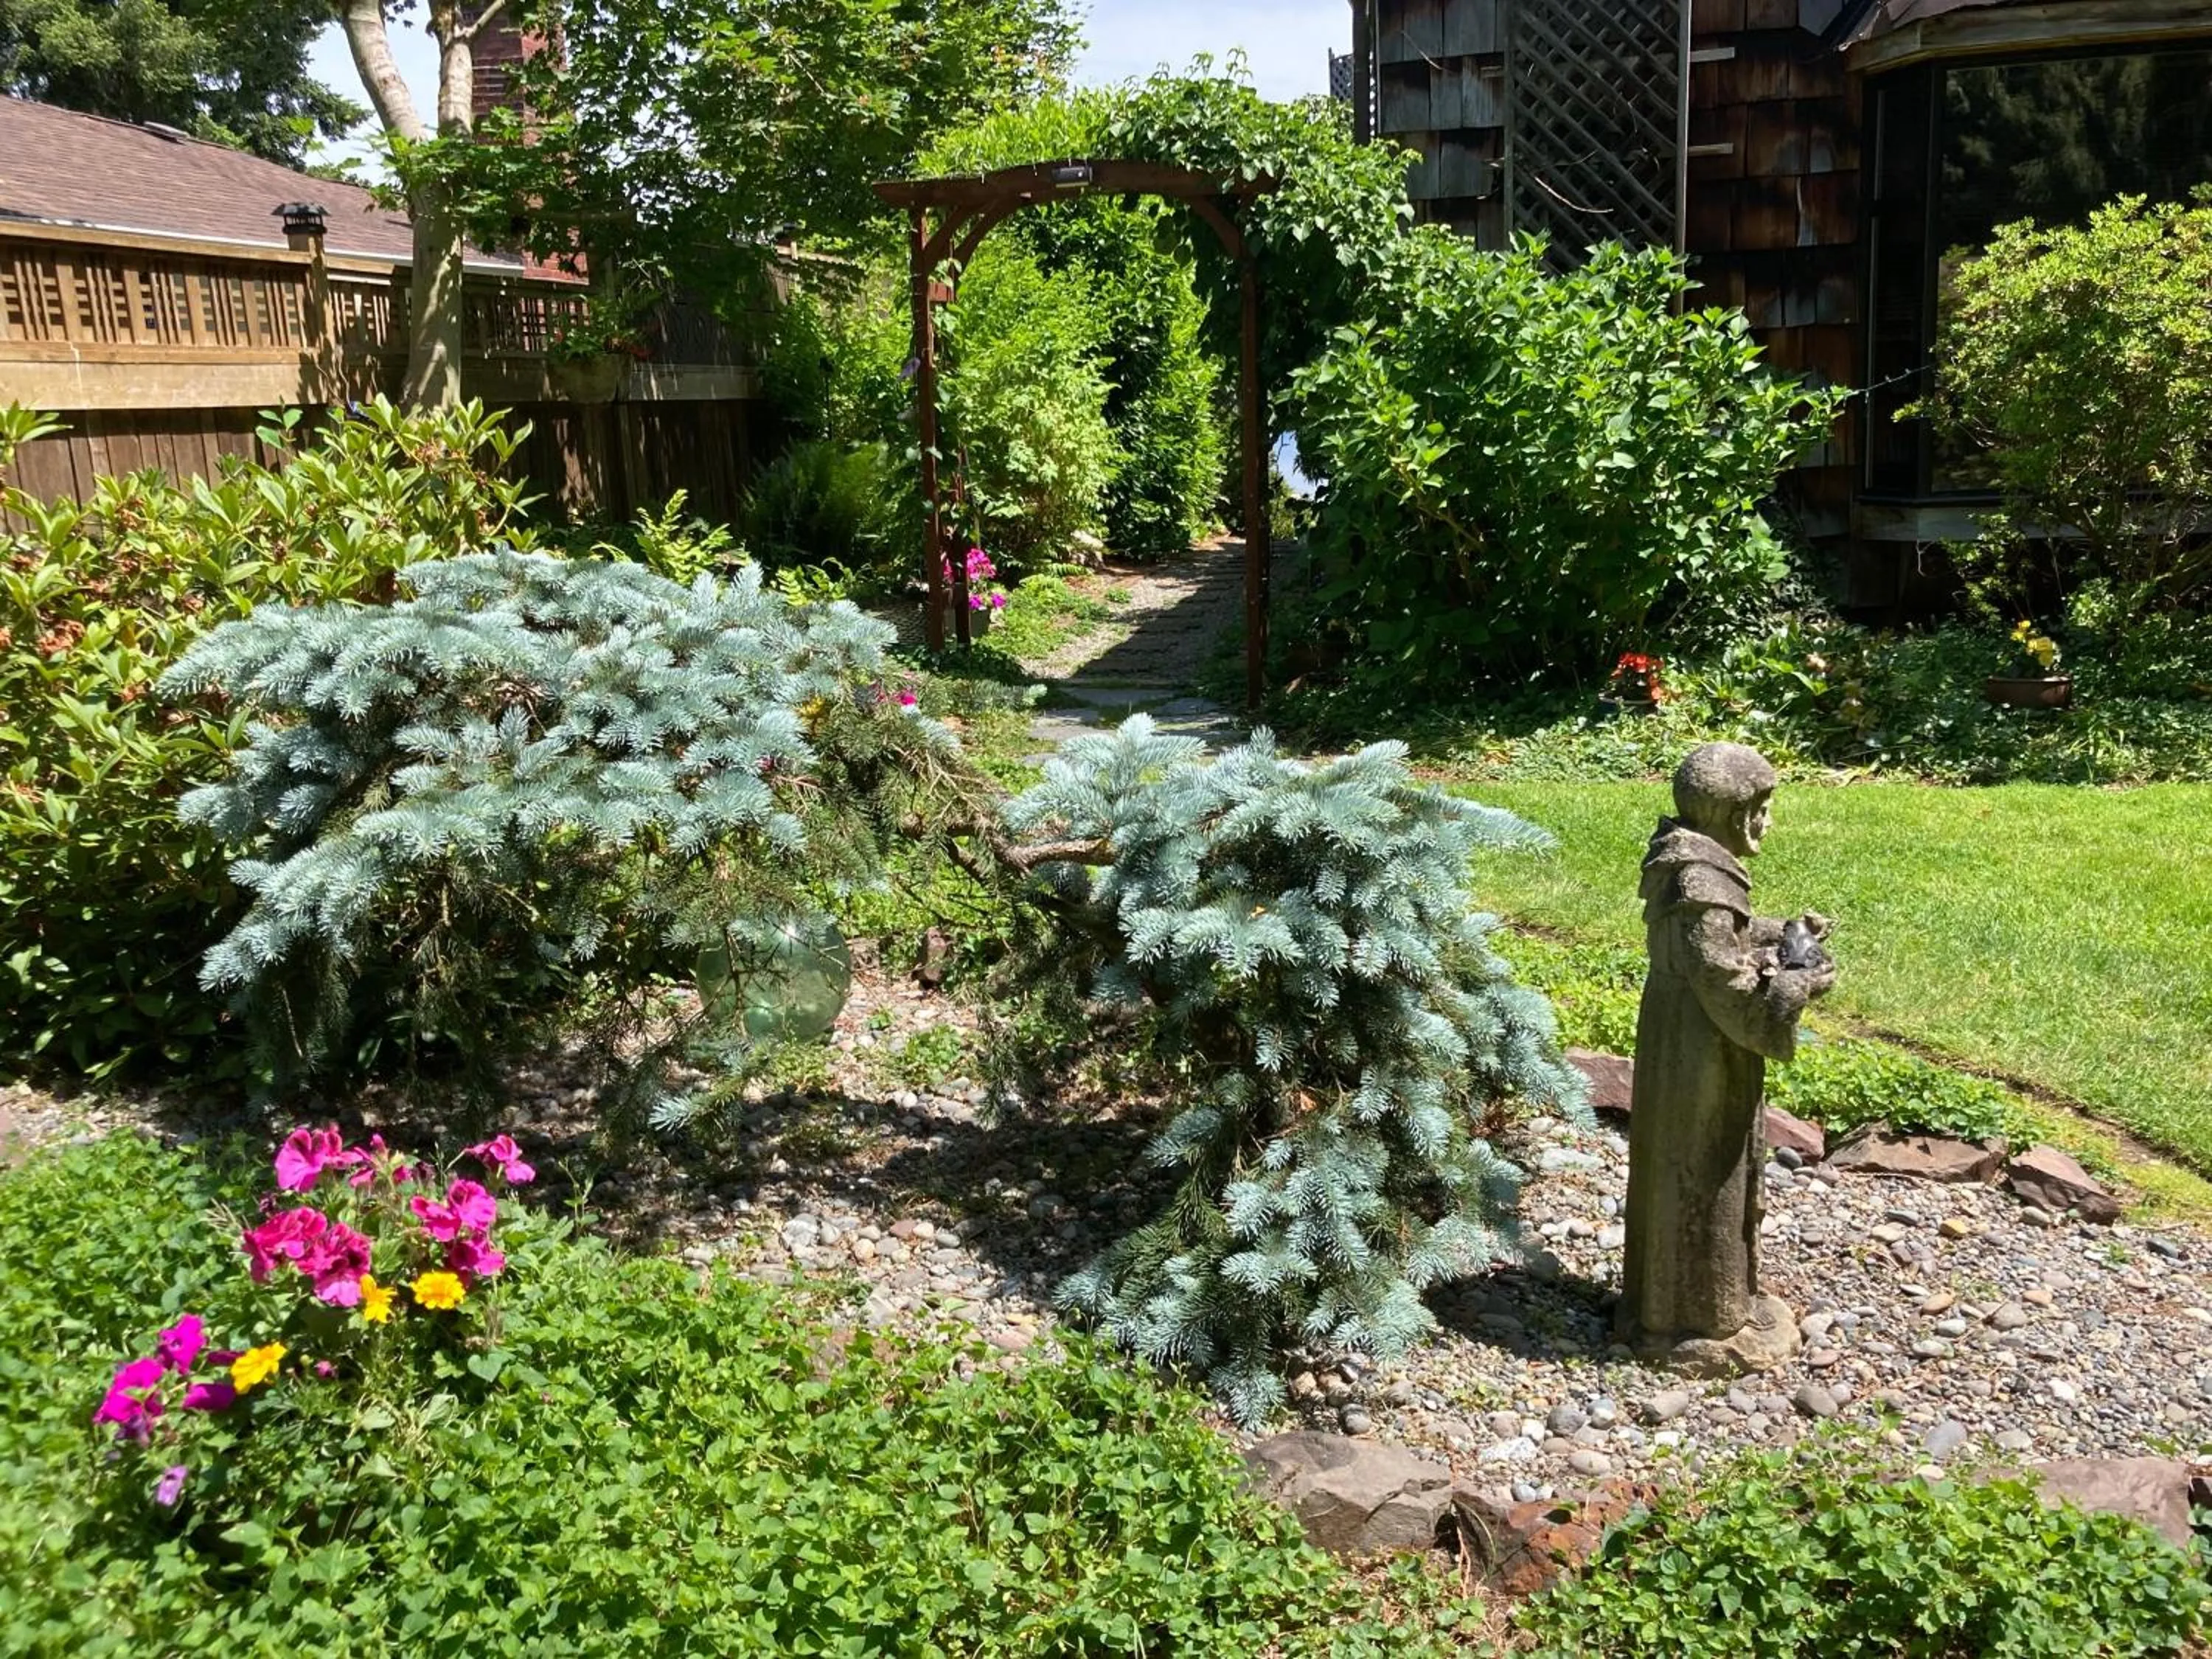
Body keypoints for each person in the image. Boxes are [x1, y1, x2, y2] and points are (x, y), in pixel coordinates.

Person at [1616, 742, 1835, 1374]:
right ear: (1731, 814)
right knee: (1704, 1165)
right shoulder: (1702, 885)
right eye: (1761, 810)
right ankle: (1697, 1319)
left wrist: (1780, 932)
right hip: (1700, 1055)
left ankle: (1675, 1303)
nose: (1767, 823)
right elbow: (1726, 983)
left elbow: (1721, 940)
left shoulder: (1691, 868)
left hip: (1680, 1034)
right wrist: (1797, 981)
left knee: (1691, 1163)